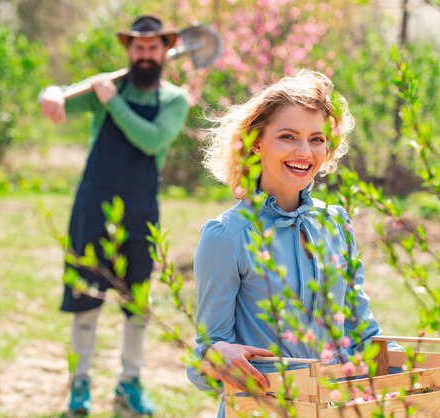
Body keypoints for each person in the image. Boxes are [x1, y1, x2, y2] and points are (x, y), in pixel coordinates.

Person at [186, 70, 404, 418]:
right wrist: (216, 355)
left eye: (317, 139)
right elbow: (205, 354)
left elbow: (364, 335)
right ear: (256, 142)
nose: (305, 152)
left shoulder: (336, 224)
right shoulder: (226, 235)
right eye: (288, 136)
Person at [39, 14, 189, 417]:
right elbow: (61, 95)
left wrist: (113, 102)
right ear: (129, 50)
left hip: (141, 210)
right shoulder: (103, 86)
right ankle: (80, 386)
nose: (144, 54)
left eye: (152, 47)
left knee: (136, 304)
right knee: (84, 299)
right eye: (138, 47)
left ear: (164, 51)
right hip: (93, 205)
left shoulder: (174, 99)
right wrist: (51, 91)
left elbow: (151, 139)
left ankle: (130, 384)